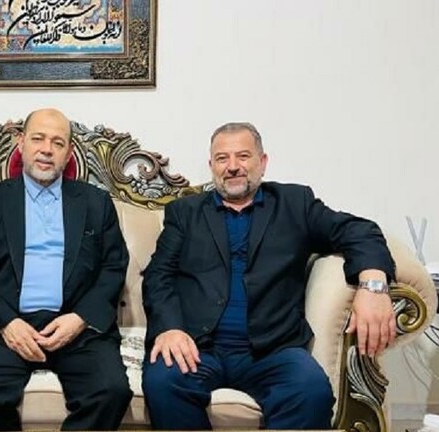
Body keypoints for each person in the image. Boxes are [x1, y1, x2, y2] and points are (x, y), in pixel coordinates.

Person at [141, 122, 396, 430]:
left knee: (311, 390)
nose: (232, 166)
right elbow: (158, 275)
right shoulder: (185, 212)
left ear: (262, 162)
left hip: (273, 350)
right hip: (198, 347)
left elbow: (359, 230)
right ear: (211, 166)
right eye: (222, 158)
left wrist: (373, 285)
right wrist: (169, 328)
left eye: (243, 156)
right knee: (163, 381)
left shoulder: (295, 204)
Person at [0, 108, 132, 430]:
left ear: (69, 152)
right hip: (8, 326)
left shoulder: (96, 202)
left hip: (76, 326)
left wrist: (79, 318)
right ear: (21, 143)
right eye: (38, 139)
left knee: (111, 391)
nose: (47, 149)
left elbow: (113, 267)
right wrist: (7, 323)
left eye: (57, 142)